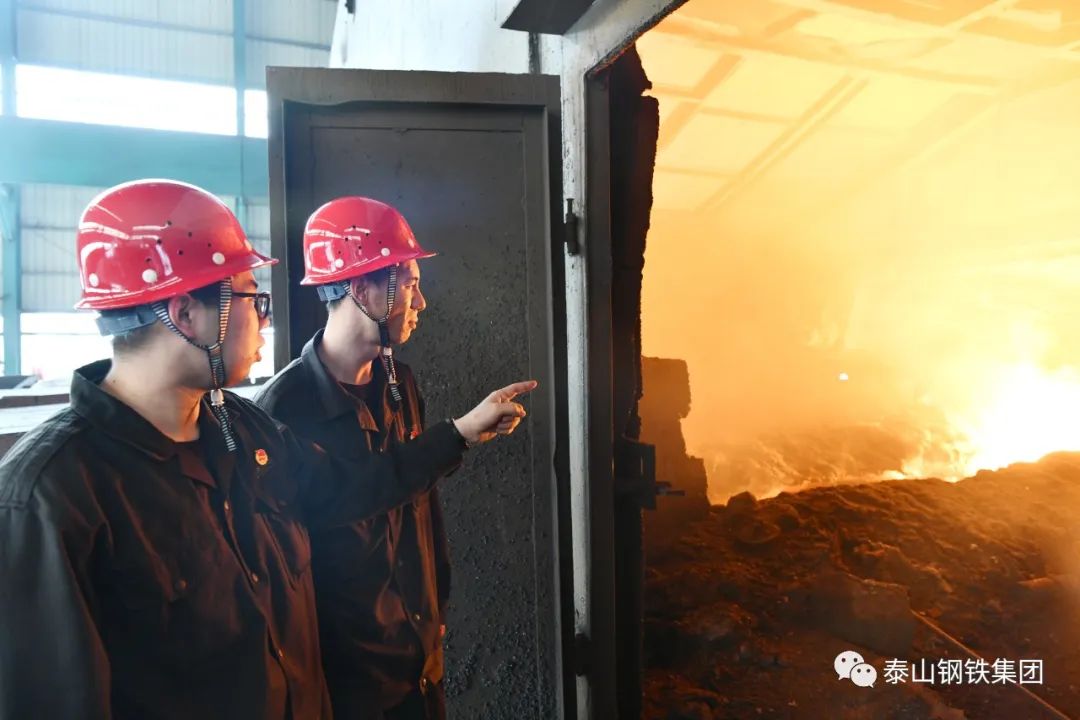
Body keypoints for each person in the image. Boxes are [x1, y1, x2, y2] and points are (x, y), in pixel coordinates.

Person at [0, 180, 534, 720]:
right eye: (253, 299)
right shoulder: (51, 497)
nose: (265, 319)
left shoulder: (243, 431)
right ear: (185, 315)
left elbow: (351, 489)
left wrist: (457, 435)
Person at [257, 196, 525, 719]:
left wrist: (434, 608)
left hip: (417, 664)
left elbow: (419, 506)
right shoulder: (283, 408)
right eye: (409, 284)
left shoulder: (399, 382)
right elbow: (349, 496)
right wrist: (457, 435)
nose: (420, 302)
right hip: (348, 684)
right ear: (362, 289)